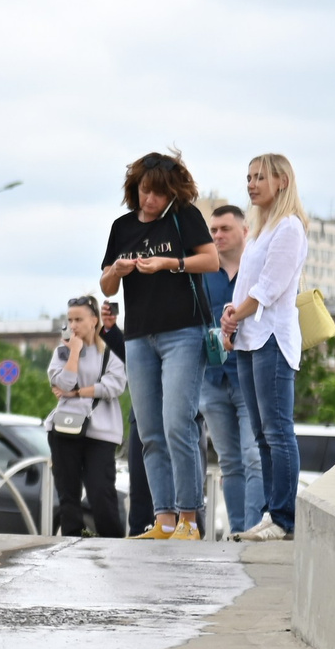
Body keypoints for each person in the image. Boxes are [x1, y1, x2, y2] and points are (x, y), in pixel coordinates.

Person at [98, 151, 219, 540]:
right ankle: (163, 518)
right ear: (135, 188)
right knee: (148, 429)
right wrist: (116, 270)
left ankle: (190, 519)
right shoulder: (122, 227)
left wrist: (171, 264)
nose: (151, 200)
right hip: (138, 336)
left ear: (173, 193)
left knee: (177, 424)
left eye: (160, 194)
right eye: (146, 192)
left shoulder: (185, 217)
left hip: (184, 332)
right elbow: (106, 286)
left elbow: (211, 260)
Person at [223, 155, 308, 540]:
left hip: (272, 338)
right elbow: (246, 287)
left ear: (282, 182)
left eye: (260, 177)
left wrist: (237, 314)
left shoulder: (289, 228)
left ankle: (284, 518)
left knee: (277, 431)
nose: (252, 184)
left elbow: (269, 288)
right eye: (249, 177)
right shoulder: (259, 230)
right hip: (249, 339)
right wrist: (231, 316)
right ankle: (271, 516)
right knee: (261, 435)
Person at [198, 203, 263, 537]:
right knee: (230, 462)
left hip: (250, 376)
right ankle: (238, 532)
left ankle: (252, 531)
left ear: (244, 230)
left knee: (254, 458)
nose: (218, 236)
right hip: (212, 380)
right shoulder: (204, 276)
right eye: (213, 230)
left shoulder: (258, 270)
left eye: (225, 229)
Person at [45, 296, 127, 537]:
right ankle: (72, 540)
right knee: (68, 493)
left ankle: (113, 541)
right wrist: (74, 353)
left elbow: (116, 385)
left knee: (100, 492)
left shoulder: (109, 352)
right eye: (70, 320)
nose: (73, 325)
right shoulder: (63, 351)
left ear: (93, 320)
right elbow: (60, 382)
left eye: (79, 319)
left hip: (101, 431)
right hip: (63, 429)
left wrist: (78, 392)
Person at [101, 297, 151, 521]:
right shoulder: (139, 328)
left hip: (177, 419)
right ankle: (139, 534)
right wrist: (111, 329)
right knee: (139, 487)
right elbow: (130, 356)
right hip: (141, 417)